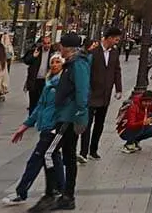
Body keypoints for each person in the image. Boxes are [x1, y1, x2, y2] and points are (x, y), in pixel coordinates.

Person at [3, 54, 66, 206]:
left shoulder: (62, 84)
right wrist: (26, 125)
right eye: (52, 62)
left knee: (36, 159)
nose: (55, 65)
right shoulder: (49, 82)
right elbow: (40, 106)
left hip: (53, 127)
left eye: (58, 62)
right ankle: (61, 190)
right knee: (54, 157)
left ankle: (21, 192)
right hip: (46, 126)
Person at [51, 32, 91, 210]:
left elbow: (82, 92)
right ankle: (67, 194)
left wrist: (81, 115)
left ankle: (59, 191)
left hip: (69, 116)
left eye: (61, 46)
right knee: (67, 154)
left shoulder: (78, 65)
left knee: (50, 151)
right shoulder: (73, 64)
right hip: (66, 113)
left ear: (66, 48)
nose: (60, 49)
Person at [79, 26, 122, 163]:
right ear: (109, 38)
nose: (117, 41)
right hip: (92, 93)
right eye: (116, 39)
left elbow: (117, 70)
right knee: (87, 123)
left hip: (105, 94)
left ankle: (93, 150)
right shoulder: (94, 52)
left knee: (100, 124)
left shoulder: (115, 52)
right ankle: (83, 152)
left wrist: (118, 88)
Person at [24, 35, 54, 113]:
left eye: (48, 43)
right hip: (35, 80)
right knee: (33, 102)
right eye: (44, 43)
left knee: (43, 102)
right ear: (41, 43)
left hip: (46, 80)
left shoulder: (53, 52)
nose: (46, 45)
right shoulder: (36, 50)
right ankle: (31, 120)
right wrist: (33, 56)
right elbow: (26, 61)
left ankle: (39, 119)